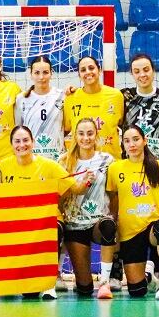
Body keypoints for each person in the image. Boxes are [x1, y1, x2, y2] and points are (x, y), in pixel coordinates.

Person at [0, 126, 77, 300]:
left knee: (54, 229)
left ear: (33, 142)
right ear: (11, 145)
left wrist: (86, 182)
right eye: (17, 141)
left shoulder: (48, 166)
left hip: (45, 221)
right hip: (19, 223)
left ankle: (49, 285)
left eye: (25, 140)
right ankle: (17, 280)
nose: (22, 145)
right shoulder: (3, 166)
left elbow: (73, 187)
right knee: (29, 295)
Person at [107, 126, 159, 301]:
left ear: (144, 141)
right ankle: (149, 279)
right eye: (127, 141)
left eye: (136, 139)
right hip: (129, 231)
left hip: (152, 226)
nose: (132, 144)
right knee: (136, 292)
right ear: (123, 145)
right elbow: (114, 200)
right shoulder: (115, 169)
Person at [60, 119, 117, 299]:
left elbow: (113, 193)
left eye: (90, 133)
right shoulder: (64, 161)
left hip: (97, 223)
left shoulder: (107, 160)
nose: (86, 138)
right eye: (81, 134)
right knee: (84, 288)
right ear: (75, 136)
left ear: (96, 135)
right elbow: (59, 196)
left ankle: (105, 282)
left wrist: (113, 216)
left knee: (109, 226)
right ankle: (81, 282)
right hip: (74, 224)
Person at [64, 56, 125, 157]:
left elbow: (123, 124)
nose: (88, 72)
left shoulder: (116, 96)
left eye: (91, 68)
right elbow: (65, 130)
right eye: (83, 70)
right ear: (79, 75)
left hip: (111, 162)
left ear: (99, 70)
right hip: (82, 162)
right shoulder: (71, 98)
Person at [120, 53, 159, 162]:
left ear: (153, 70)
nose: (142, 75)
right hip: (131, 164)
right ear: (132, 74)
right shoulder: (125, 96)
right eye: (137, 71)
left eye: (146, 70)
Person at [16, 55, 67, 160]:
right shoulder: (21, 99)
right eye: (37, 73)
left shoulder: (62, 96)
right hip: (32, 158)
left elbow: (67, 127)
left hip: (57, 157)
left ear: (51, 73)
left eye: (45, 72)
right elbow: (18, 129)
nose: (41, 77)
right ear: (31, 74)